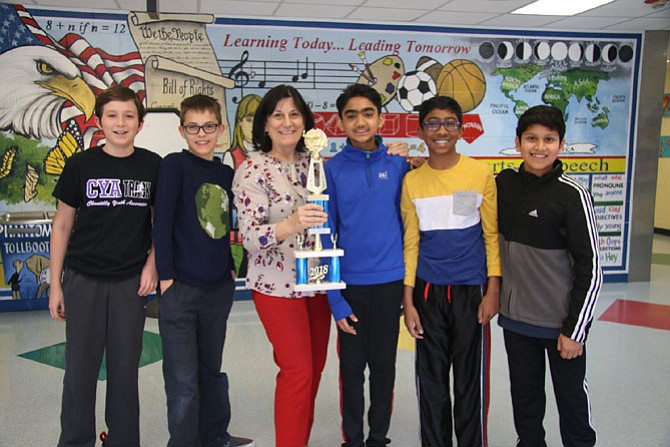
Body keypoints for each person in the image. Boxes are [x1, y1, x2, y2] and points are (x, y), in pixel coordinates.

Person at [48, 85, 161, 447]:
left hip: (130, 281)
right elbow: (62, 224)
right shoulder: (81, 164)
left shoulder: (152, 165)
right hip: (83, 278)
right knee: (80, 369)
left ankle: (123, 440)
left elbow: (160, 223)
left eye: (129, 115)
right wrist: (55, 283)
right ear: (99, 121)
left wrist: (152, 264)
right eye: (112, 115)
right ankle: (76, 439)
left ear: (140, 123)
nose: (120, 122)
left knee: (125, 370)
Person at [496, 105, 602, 447]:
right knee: (525, 403)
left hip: (561, 327)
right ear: (518, 142)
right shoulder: (503, 185)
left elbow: (591, 268)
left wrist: (575, 330)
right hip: (516, 322)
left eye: (549, 139)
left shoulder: (572, 195)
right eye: (531, 138)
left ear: (561, 144)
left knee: (571, 403)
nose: (539, 147)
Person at [152, 94, 254, 447]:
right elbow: (161, 223)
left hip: (217, 288)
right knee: (183, 379)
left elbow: (225, 226)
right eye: (193, 127)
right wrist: (166, 277)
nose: (201, 134)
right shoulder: (173, 166)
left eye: (208, 126)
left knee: (211, 370)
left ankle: (215, 435)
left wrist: (230, 269)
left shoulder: (227, 173)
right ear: (182, 130)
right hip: (180, 288)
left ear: (221, 129)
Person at [231, 84, 330, 447]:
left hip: (318, 280)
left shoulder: (314, 162)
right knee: (297, 371)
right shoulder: (252, 169)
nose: (287, 122)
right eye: (278, 115)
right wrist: (291, 223)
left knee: (313, 372)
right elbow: (249, 237)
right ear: (265, 124)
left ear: (305, 121)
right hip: (276, 285)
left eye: (294, 114)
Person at [401, 95, 501, 447]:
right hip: (428, 293)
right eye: (432, 123)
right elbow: (411, 243)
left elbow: (491, 236)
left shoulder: (480, 173)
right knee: (431, 383)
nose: (441, 130)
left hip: (470, 293)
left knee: (469, 383)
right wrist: (409, 300)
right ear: (421, 130)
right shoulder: (412, 181)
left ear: (460, 129)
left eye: (449, 123)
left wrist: (493, 290)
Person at [324, 83, 408, 447]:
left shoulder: (400, 163)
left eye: (368, 113)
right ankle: (353, 439)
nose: (360, 121)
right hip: (351, 288)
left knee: (385, 368)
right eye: (351, 115)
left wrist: (409, 290)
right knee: (351, 370)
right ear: (340, 122)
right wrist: (334, 298)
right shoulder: (332, 170)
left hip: (391, 284)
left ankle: (378, 437)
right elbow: (324, 237)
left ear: (381, 118)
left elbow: (410, 227)